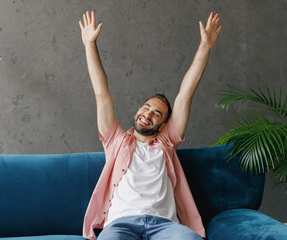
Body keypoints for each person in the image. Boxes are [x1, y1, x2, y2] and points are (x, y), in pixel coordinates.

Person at [79, 10, 222, 240]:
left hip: (165, 226)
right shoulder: (116, 140)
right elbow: (101, 94)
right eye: (146, 107)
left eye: (157, 113)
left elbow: (185, 94)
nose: (148, 114)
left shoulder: (166, 142)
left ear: (164, 124)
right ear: (137, 111)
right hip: (121, 224)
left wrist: (205, 46)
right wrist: (89, 44)